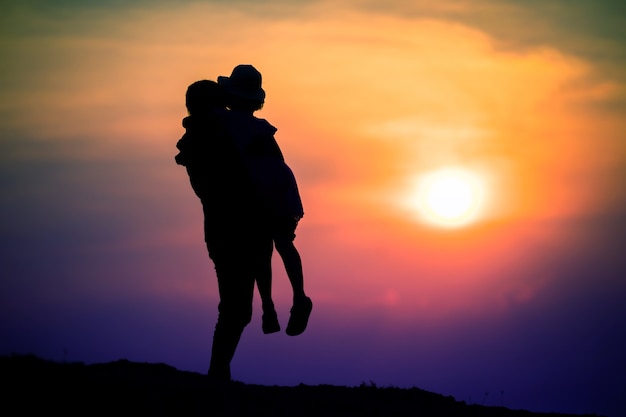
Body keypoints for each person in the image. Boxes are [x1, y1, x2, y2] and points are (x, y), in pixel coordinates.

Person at [175, 79, 273, 381]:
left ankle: (219, 372)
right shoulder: (210, 138)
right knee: (237, 308)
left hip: (223, 229)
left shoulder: (199, 137)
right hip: (232, 227)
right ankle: (218, 373)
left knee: (236, 307)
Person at [218, 64, 313, 336]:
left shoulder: (227, 123)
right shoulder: (259, 127)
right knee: (278, 245)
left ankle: (274, 306)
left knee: (265, 248)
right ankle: (293, 300)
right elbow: (278, 162)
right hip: (275, 186)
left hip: (261, 189)